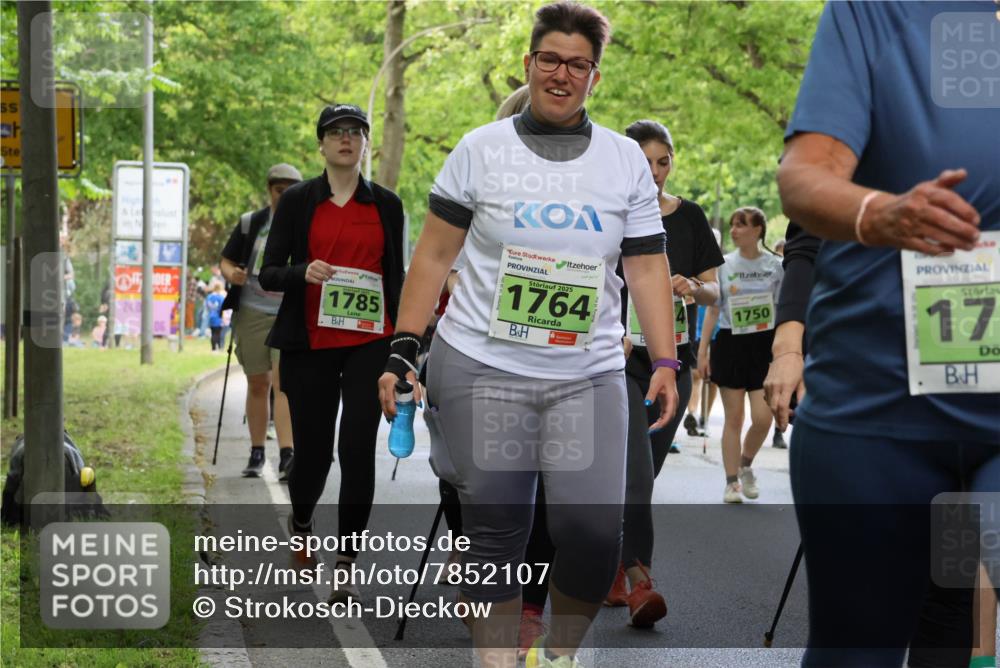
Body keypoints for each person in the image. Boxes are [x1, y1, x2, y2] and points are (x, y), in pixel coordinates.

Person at [377, 4, 680, 666]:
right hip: (483, 367)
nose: (562, 74)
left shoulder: (624, 160)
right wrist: (403, 348)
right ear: (529, 64)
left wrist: (665, 359)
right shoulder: (480, 151)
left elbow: (648, 264)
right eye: (550, 60)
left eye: (578, 64)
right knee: (496, 532)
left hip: (588, 372)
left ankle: (557, 653)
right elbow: (431, 257)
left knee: (594, 530)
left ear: (594, 78)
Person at [776, 2, 999, 666]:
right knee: (864, 646)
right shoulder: (875, 12)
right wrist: (882, 213)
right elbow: (802, 177)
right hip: (876, 410)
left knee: (958, 609)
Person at [258, 103, 405, 605]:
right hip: (310, 343)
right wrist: (303, 271)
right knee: (315, 454)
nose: (346, 139)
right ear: (321, 144)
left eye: (356, 132)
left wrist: (403, 347)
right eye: (336, 132)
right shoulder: (299, 201)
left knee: (358, 449)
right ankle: (301, 525)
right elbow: (268, 272)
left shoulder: (387, 203)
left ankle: (345, 562)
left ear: (367, 144)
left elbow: (396, 278)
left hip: (369, 341)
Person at [607, 119, 723, 628]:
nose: (655, 171)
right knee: (633, 471)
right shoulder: (611, 213)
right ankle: (639, 581)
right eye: (646, 160)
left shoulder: (691, 217)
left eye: (664, 161)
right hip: (622, 359)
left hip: (672, 359)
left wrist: (694, 289)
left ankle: (614, 559)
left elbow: (718, 291)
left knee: (644, 473)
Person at [220, 163, 302, 481]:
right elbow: (226, 260)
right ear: (269, 190)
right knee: (258, 383)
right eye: (280, 191)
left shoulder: (304, 225)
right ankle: (257, 451)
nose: (285, 197)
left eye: (291, 191)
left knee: (284, 384)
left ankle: (287, 454)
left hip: (288, 312)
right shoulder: (251, 224)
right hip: (252, 312)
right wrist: (233, 274)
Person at [697, 207, 783, 503]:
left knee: (763, 418)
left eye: (741, 225)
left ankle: (746, 464)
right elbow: (712, 309)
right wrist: (702, 350)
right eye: (732, 225)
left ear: (758, 230)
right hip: (730, 345)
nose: (734, 230)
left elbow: (784, 311)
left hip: (764, 346)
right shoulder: (724, 265)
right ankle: (731, 481)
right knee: (734, 418)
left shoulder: (776, 265)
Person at [205, 282, 226, 351]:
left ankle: (213, 347)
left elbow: (207, 306)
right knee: (218, 333)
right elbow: (223, 308)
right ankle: (219, 347)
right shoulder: (220, 297)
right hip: (218, 317)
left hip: (211, 317)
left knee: (213, 332)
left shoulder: (209, 297)